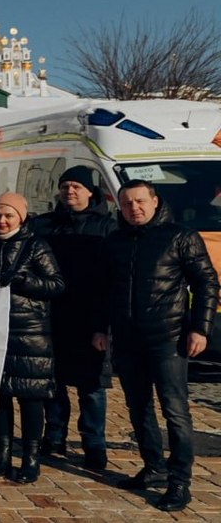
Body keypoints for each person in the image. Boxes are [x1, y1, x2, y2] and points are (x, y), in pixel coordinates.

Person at [95, 180, 218, 512]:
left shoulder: (181, 237)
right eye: (127, 203)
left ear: (154, 202)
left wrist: (200, 328)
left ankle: (179, 481)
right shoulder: (115, 241)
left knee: (174, 410)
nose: (134, 208)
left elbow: (206, 282)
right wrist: (100, 329)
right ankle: (154, 467)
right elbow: (104, 289)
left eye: (140, 201)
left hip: (168, 338)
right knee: (139, 408)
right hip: (127, 339)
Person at [0, 193, 64, 483]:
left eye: (9, 215)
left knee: (31, 399)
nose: (2, 220)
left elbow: (56, 285)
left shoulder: (36, 246)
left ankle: (31, 459)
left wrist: (24, 281)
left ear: (21, 217)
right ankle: (2, 453)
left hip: (30, 334)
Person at [28, 166, 114, 469]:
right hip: (51, 316)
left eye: (77, 186)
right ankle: (54, 436)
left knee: (92, 387)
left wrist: (103, 325)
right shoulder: (44, 225)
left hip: (90, 318)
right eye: (65, 186)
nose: (70, 191)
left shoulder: (107, 228)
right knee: (53, 382)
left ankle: (94, 444)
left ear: (90, 191)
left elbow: (110, 280)